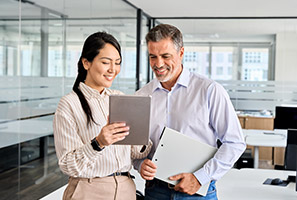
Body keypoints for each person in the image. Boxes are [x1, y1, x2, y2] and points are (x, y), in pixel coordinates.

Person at [133, 24, 246, 200]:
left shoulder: (209, 90)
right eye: (152, 57)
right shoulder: (141, 96)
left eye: (165, 56)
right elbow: (134, 149)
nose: (158, 64)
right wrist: (140, 164)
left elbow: (234, 142)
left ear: (181, 53)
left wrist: (200, 177)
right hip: (156, 191)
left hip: (197, 192)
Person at [53, 32, 151, 200]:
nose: (113, 69)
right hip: (89, 190)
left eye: (117, 63)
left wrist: (142, 134)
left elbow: (136, 153)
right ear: (86, 63)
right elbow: (68, 165)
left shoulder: (118, 97)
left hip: (125, 189)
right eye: (106, 62)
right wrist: (98, 143)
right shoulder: (69, 104)